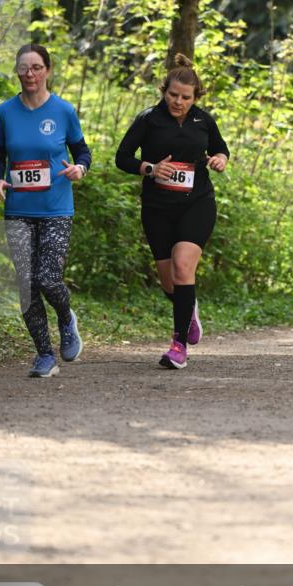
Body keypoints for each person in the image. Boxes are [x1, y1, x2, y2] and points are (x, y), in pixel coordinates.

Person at [115, 54, 229, 369]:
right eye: (173, 95)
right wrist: (149, 168)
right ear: (164, 91)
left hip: (197, 203)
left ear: (196, 98)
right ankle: (187, 308)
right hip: (157, 208)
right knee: (168, 281)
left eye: (185, 97)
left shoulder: (204, 120)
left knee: (182, 267)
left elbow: (220, 147)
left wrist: (220, 159)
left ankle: (178, 345)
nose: (178, 102)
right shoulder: (148, 119)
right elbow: (122, 157)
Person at [0, 44, 91, 377]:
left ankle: (66, 318)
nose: (29, 74)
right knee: (27, 285)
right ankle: (44, 354)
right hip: (18, 208)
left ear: (47, 70)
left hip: (56, 207)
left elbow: (82, 151)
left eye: (36, 67)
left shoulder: (63, 110)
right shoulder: (5, 112)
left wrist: (80, 169)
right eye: (23, 68)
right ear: (16, 72)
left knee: (47, 278)